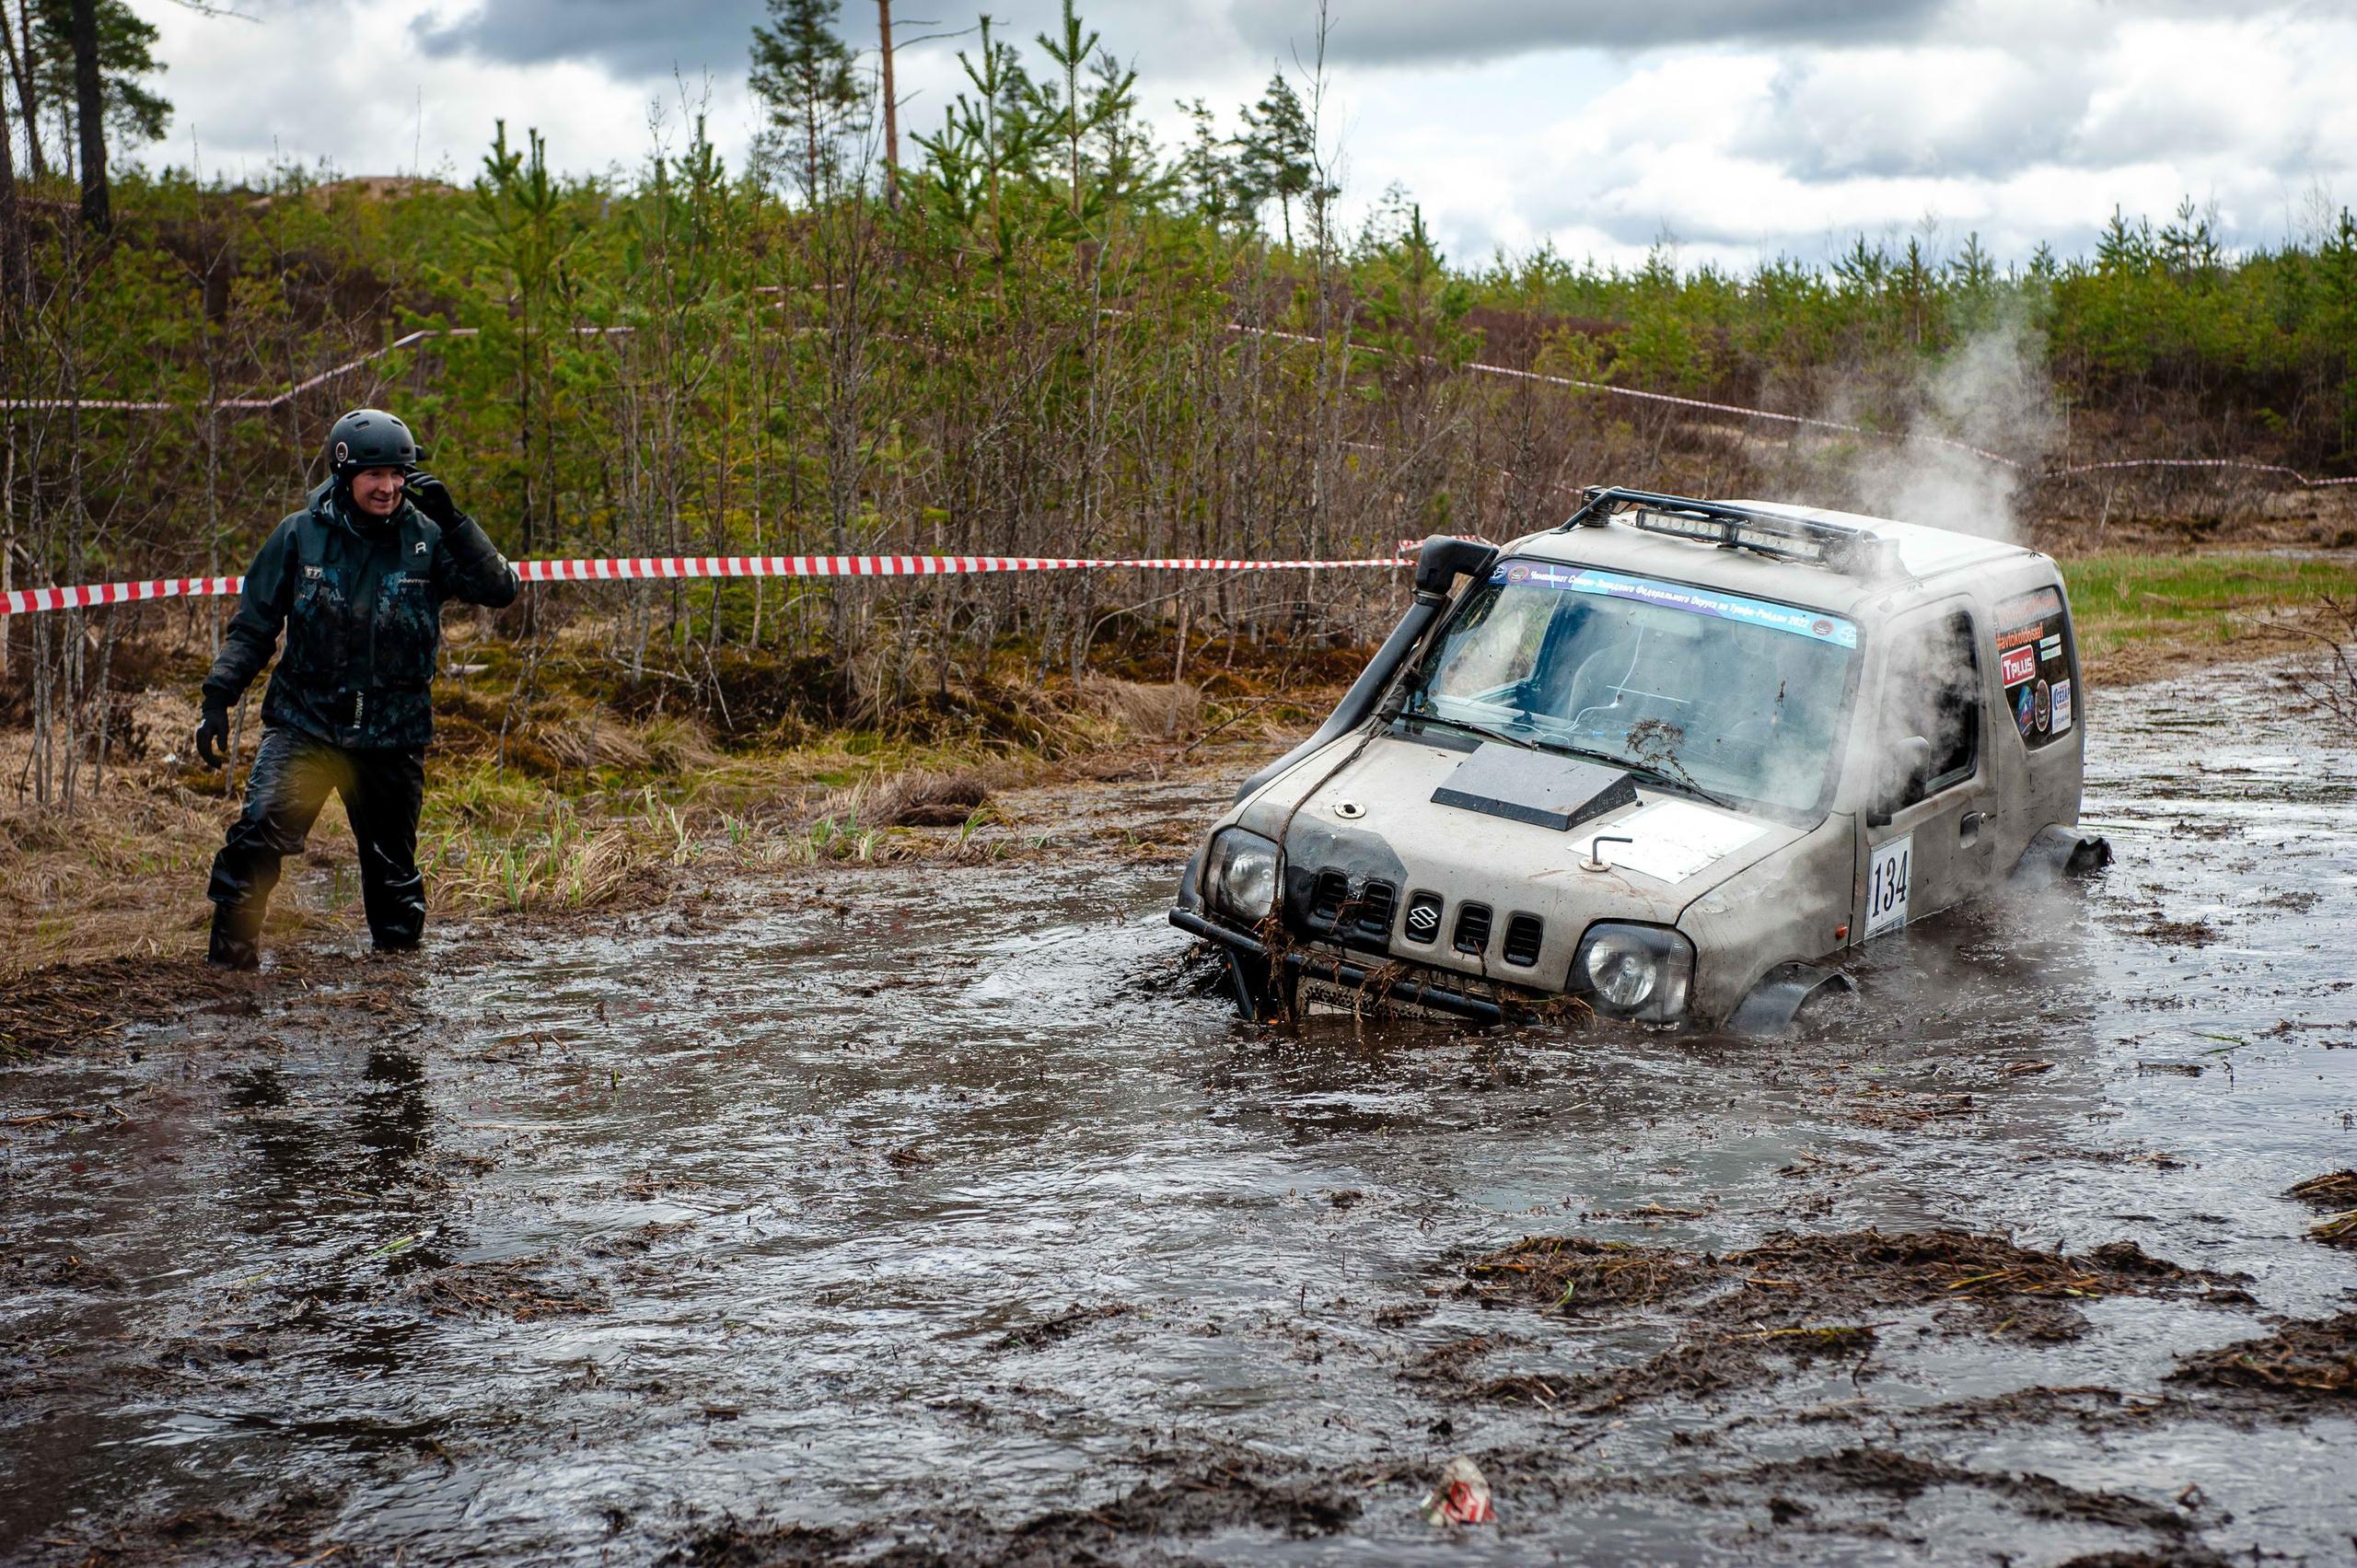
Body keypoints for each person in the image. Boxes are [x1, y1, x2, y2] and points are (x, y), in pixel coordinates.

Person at [195, 408, 519, 969]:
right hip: (307, 722)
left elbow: (499, 589)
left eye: (399, 473)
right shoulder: (299, 535)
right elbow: (254, 627)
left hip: (394, 732)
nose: (390, 486)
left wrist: (457, 522)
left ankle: (394, 989)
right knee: (254, 841)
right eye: (376, 475)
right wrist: (218, 696)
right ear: (345, 475)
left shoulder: (429, 536)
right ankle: (228, 972)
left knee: (392, 870)